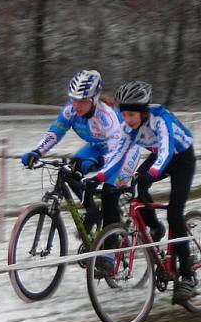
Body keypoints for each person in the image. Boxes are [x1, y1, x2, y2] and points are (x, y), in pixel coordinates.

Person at [98, 81, 197, 305]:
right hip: (160, 157)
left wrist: (152, 172)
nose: (127, 119)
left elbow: (165, 150)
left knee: (174, 214)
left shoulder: (161, 120)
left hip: (181, 158)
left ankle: (188, 274)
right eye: (124, 114)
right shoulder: (127, 127)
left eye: (132, 114)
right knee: (138, 187)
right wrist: (101, 176)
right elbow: (117, 156)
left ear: (143, 112)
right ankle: (154, 226)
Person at [21, 70, 138, 235]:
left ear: (94, 99)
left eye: (82, 101)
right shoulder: (70, 111)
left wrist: (98, 162)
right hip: (98, 146)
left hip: (125, 153)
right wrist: (37, 152)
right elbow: (55, 132)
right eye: (74, 99)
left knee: (108, 195)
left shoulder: (107, 117)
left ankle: (109, 253)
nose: (76, 105)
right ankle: (92, 210)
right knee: (71, 169)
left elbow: (117, 152)